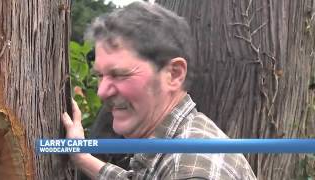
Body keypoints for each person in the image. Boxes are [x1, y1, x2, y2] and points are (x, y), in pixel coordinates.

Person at [61, 1, 257, 179]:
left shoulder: (190, 169)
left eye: (120, 74)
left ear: (173, 74)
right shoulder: (176, 144)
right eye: (100, 75)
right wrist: (82, 157)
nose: (102, 92)